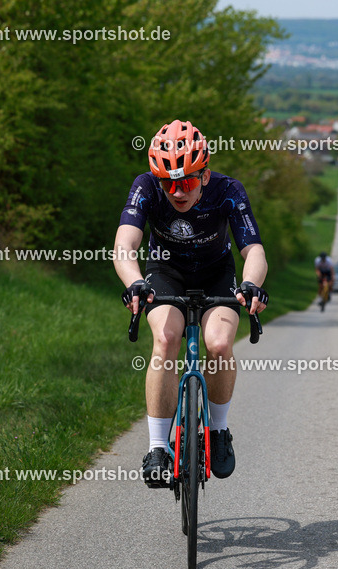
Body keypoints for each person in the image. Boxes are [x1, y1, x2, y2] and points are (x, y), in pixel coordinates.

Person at [113, 119, 269, 487]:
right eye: (168, 183)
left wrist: (251, 284)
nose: (176, 192)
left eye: (185, 182)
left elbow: (254, 250)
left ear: (204, 174)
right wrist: (135, 282)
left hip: (217, 272)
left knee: (218, 343)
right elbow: (125, 245)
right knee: (166, 339)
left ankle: (218, 430)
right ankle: (157, 447)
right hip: (166, 270)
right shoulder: (146, 186)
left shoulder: (229, 190)